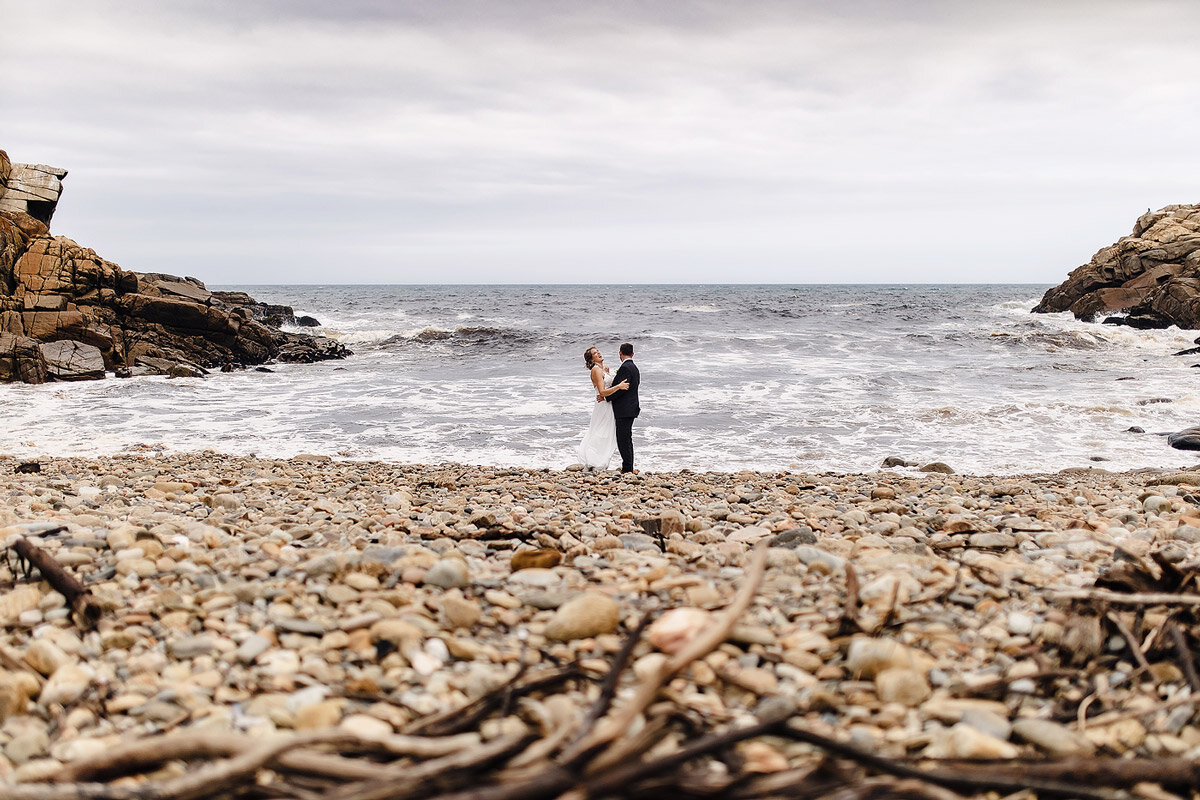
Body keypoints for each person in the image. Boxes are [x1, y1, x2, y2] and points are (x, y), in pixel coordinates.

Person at [577, 347, 629, 469]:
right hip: (603, 406)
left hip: (609, 404)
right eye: (595, 353)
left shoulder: (604, 369)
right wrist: (619, 386)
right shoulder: (596, 370)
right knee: (600, 432)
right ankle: (593, 460)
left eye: (598, 351)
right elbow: (602, 392)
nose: (598, 353)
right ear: (592, 359)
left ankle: (602, 461)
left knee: (607, 433)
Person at [605, 342, 640, 473]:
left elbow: (621, 389)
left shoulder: (625, 368)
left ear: (620, 353)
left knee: (623, 439)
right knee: (627, 438)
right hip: (631, 408)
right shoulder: (634, 367)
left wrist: (606, 397)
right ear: (632, 354)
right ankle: (628, 467)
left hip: (624, 410)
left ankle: (627, 468)